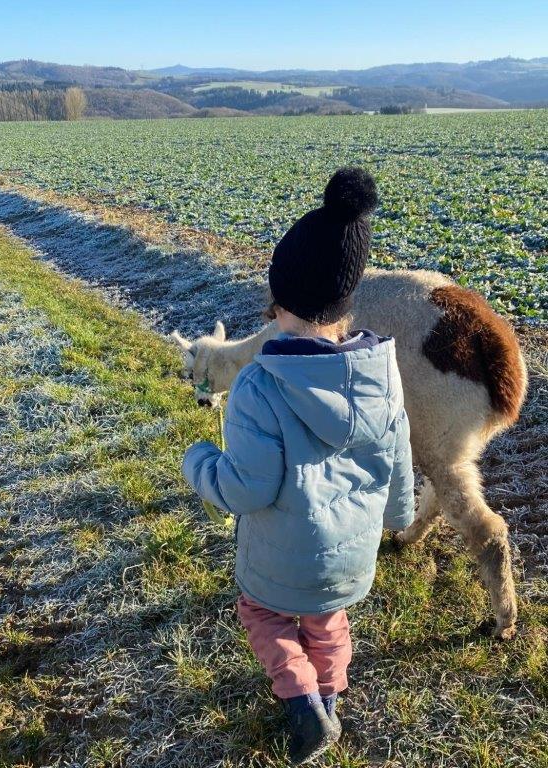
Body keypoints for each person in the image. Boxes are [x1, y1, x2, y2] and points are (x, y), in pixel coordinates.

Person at [182, 167, 415, 765]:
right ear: (346, 303)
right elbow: (398, 458)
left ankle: (303, 701)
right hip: (351, 558)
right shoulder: (382, 374)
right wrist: (399, 517)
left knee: (263, 614)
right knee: (328, 621)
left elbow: (245, 489)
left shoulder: (259, 385)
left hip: (279, 557)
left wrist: (199, 461)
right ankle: (329, 698)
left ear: (278, 303)